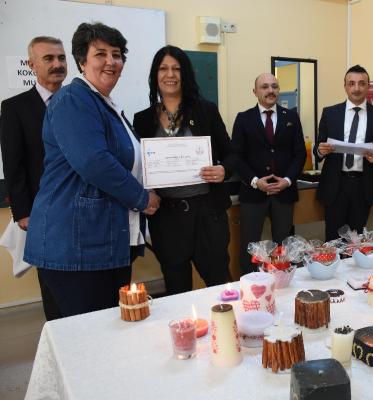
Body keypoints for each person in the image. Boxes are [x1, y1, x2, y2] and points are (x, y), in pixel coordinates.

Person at [23, 23, 160, 317]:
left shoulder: (104, 104)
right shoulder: (73, 99)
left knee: (105, 329)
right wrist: (142, 198)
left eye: (117, 54)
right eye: (100, 54)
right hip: (75, 247)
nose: (111, 61)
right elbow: (94, 162)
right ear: (82, 61)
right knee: (88, 334)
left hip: (100, 242)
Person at [134, 45, 235, 294]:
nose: (170, 74)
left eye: (176, 69)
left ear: (185, 74)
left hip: (207, 214)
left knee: (220, 286)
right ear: (155, 75)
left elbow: (232, 155)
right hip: (166, 218)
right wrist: (145, 192)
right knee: (176, 289)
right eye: (163, 69)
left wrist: (223, 170)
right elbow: (139, 167)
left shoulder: (205, 110)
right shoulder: (142, 119)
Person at [0, 36, 67, 321]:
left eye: (61, 58)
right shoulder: (14, 107)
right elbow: (12, 163)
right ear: (31, 65)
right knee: (53, 282)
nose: (57, 64)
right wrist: (23, 212)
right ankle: (58, 335)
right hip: (42, 211)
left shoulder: (79, 101)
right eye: (48, 58)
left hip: (80, 207)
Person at [231, 73, 305, 275]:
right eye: (264, 87)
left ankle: (283, 283)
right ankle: (249, 284)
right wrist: (255, 181)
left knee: (283, 247)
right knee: (250, 246)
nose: (270, 90)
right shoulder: (244, 119)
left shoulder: (291, 117)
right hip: (253, 192)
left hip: (284, 192)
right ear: (255, 92)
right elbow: (236, 156)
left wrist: (287, 180)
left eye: (274, 86)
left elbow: (300, 153)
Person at [314, 65, 373, 241]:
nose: (356, 88)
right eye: (352, 83)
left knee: (356, 241)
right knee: (333, 240)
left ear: (368, 86)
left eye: (362, 83)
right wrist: (320, 150)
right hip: (335, 185)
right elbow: (319, 146)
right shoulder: (330, 113)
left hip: (363, 186)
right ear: (345, 86)